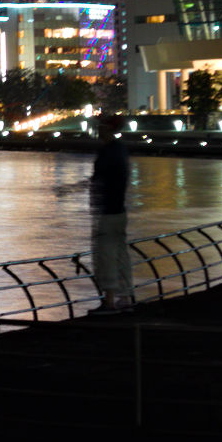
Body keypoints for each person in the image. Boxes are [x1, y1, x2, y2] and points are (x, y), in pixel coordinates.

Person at [90, 112, 134, 312]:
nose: (98, 130)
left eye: (100, 127)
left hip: (106, 212)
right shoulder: (121, 150)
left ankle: (108, 300)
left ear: (107, 129)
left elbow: (99, 181)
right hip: (120, 210)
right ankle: (125, 297)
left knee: (105, 256)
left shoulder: (106, 152)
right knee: (121, 254)